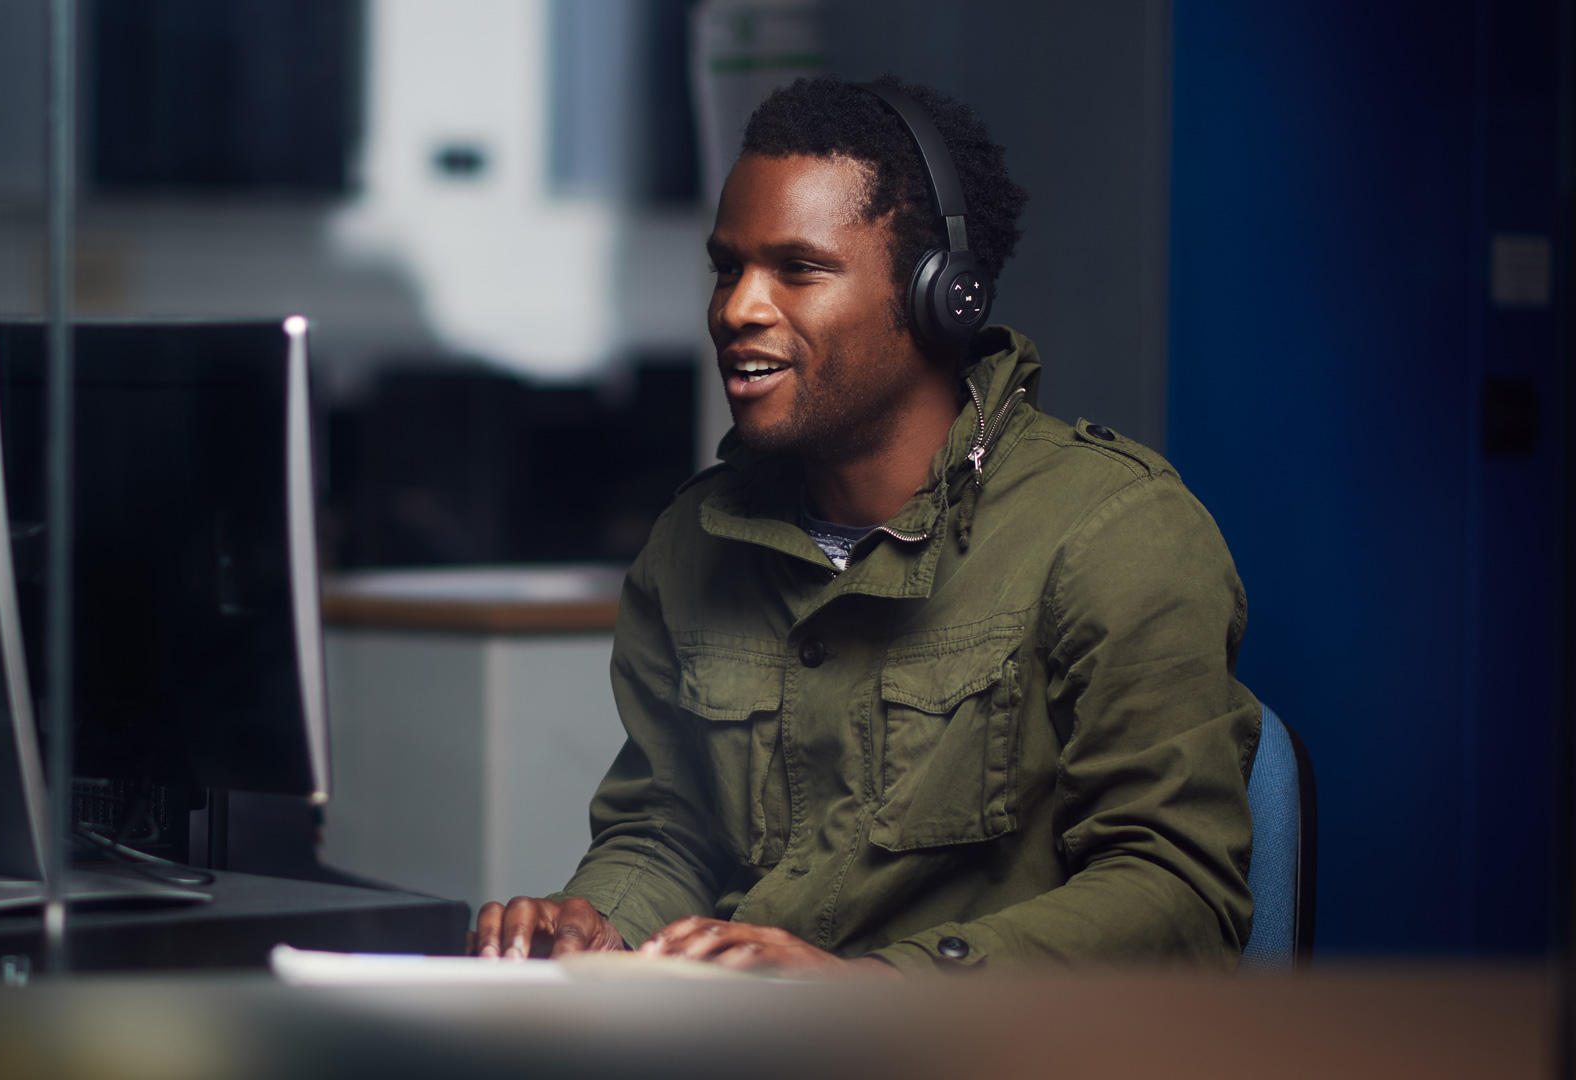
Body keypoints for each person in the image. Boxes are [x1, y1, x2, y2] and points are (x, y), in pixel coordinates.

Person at [468, 75, 1260, 976]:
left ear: (940, 295)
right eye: (729, 266)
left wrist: (873, 991)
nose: (737, 308)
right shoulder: (691, 544)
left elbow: (1177, 898)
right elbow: (669, 828)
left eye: (797, 269)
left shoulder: (1116, 534)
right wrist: (598, 918)